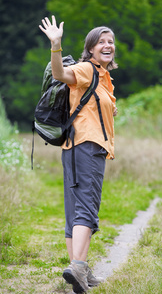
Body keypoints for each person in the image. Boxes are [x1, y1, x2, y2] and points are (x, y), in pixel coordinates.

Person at [39, 15, 118, 293]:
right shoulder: (87, 69)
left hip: (74, 147)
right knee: (87, 208)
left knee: (74, 210)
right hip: (88, 147)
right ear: (91, 48)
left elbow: (96, 106)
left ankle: (81, 266)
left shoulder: (103, 78)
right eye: (102, 42)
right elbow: (61, 74)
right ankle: (78, 267)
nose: (108, 45)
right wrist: (56, 46)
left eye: (111, 42)